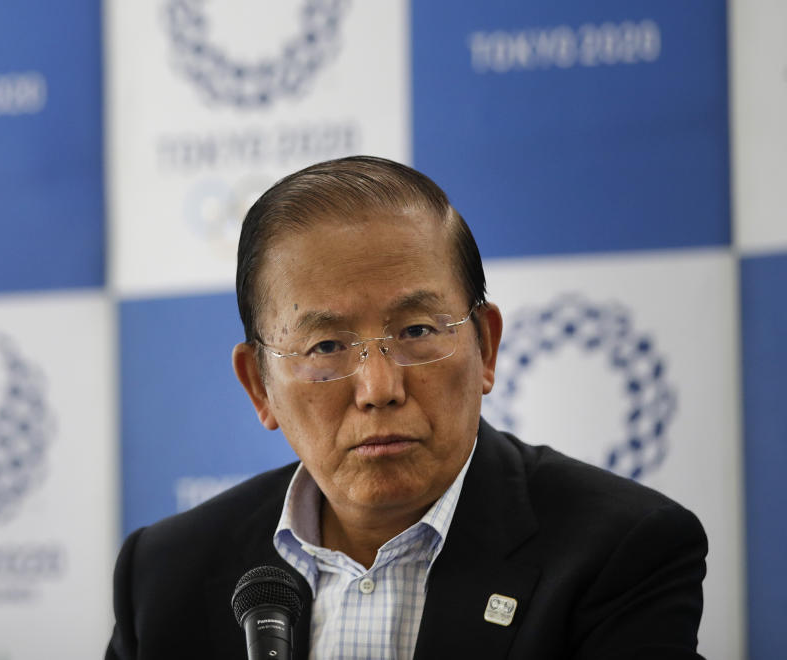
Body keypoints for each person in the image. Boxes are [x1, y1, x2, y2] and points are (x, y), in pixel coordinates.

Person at [106, 156, 707, 659]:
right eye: (327, 346)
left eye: (417, 331)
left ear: (486, 346)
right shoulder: (164, 577)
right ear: (259, 386)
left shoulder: (621, 553)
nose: (378, 387)